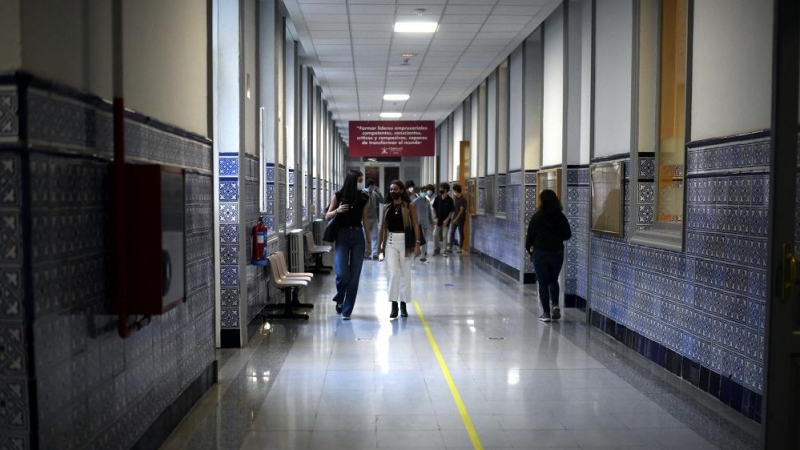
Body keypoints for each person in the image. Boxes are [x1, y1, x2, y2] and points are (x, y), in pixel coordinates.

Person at [325, 169, 371, 320]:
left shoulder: (364, 197)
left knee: (354, 276)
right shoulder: (338, 195)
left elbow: (365, 220)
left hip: (358, 236)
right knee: (342, 274)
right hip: (342, 236)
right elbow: (327, 215)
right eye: (359, 180)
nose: (361, 183)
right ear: (352, 180)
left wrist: (369, 242)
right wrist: (337, 210)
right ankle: (340, 298)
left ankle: (347, 309)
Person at [525, 189, 572, 323]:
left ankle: (546, 313)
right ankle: (556, 305)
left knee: (543, 282)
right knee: (553, 279)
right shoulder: (561, 217)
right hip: (557, 253)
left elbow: (530, 237)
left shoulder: (537, 217)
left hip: (540, 253)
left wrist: (530, 250)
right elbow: (568, 235)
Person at [378, 180, 421, 319]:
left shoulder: (409, 206)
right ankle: (394, 305)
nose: (392, 191)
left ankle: (403, 304)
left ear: (401, 190)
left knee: (405, 275)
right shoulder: (387, 207)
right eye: (390, 189)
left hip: (406, 243)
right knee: (394, 274)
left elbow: (415, 225)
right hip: (391, 242)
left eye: (395, 189)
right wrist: (379, 247)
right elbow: (382, 228)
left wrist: (417, 243)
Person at [410, 181, 433, 262]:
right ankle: (416, 253)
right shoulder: (415, 201)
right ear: (419, 192)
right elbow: (411, 212)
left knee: (425, 240)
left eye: (424, 191)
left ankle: (423, 255)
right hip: (418, 223)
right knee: (418, 239)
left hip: (426, 223)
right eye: (422, 191)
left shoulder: (427, 201)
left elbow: (429, 212)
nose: (423, 193)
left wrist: (431, 221)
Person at [431, 183, 454, 256]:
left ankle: (444, 251)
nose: (440, 190)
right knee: (435, 234)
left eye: (442, 189)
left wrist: (447, 220)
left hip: (446, 221)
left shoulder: (450, 200)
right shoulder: (437, 198)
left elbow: (451, 211)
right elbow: (434, 208)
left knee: (444, 235)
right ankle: (437, 249)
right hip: (438, 220)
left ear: (446, 190)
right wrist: (435, 216)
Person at [446, 183, 468, 255]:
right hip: (454, 218)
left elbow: (461, 211)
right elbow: (454, 209)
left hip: (460, 219)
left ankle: (460, 248)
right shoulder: (455, 198)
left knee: (460, 232)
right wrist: (453, 217)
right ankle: (450, 247)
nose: (453, 192)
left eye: (453, 190)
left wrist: (456, 219)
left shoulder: (463, 199)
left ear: (456, 190)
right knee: (452, 232)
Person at [364, 178, 383, 259]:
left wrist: (379, 193)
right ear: (370, 186)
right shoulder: (363, 193)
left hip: (374, 218)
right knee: (366, 236)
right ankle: (366, 253)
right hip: (366, 218)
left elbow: (382, 201)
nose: (374, 187)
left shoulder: (374, 193)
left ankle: (375, 253)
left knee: (375, 236)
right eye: (373, 186)